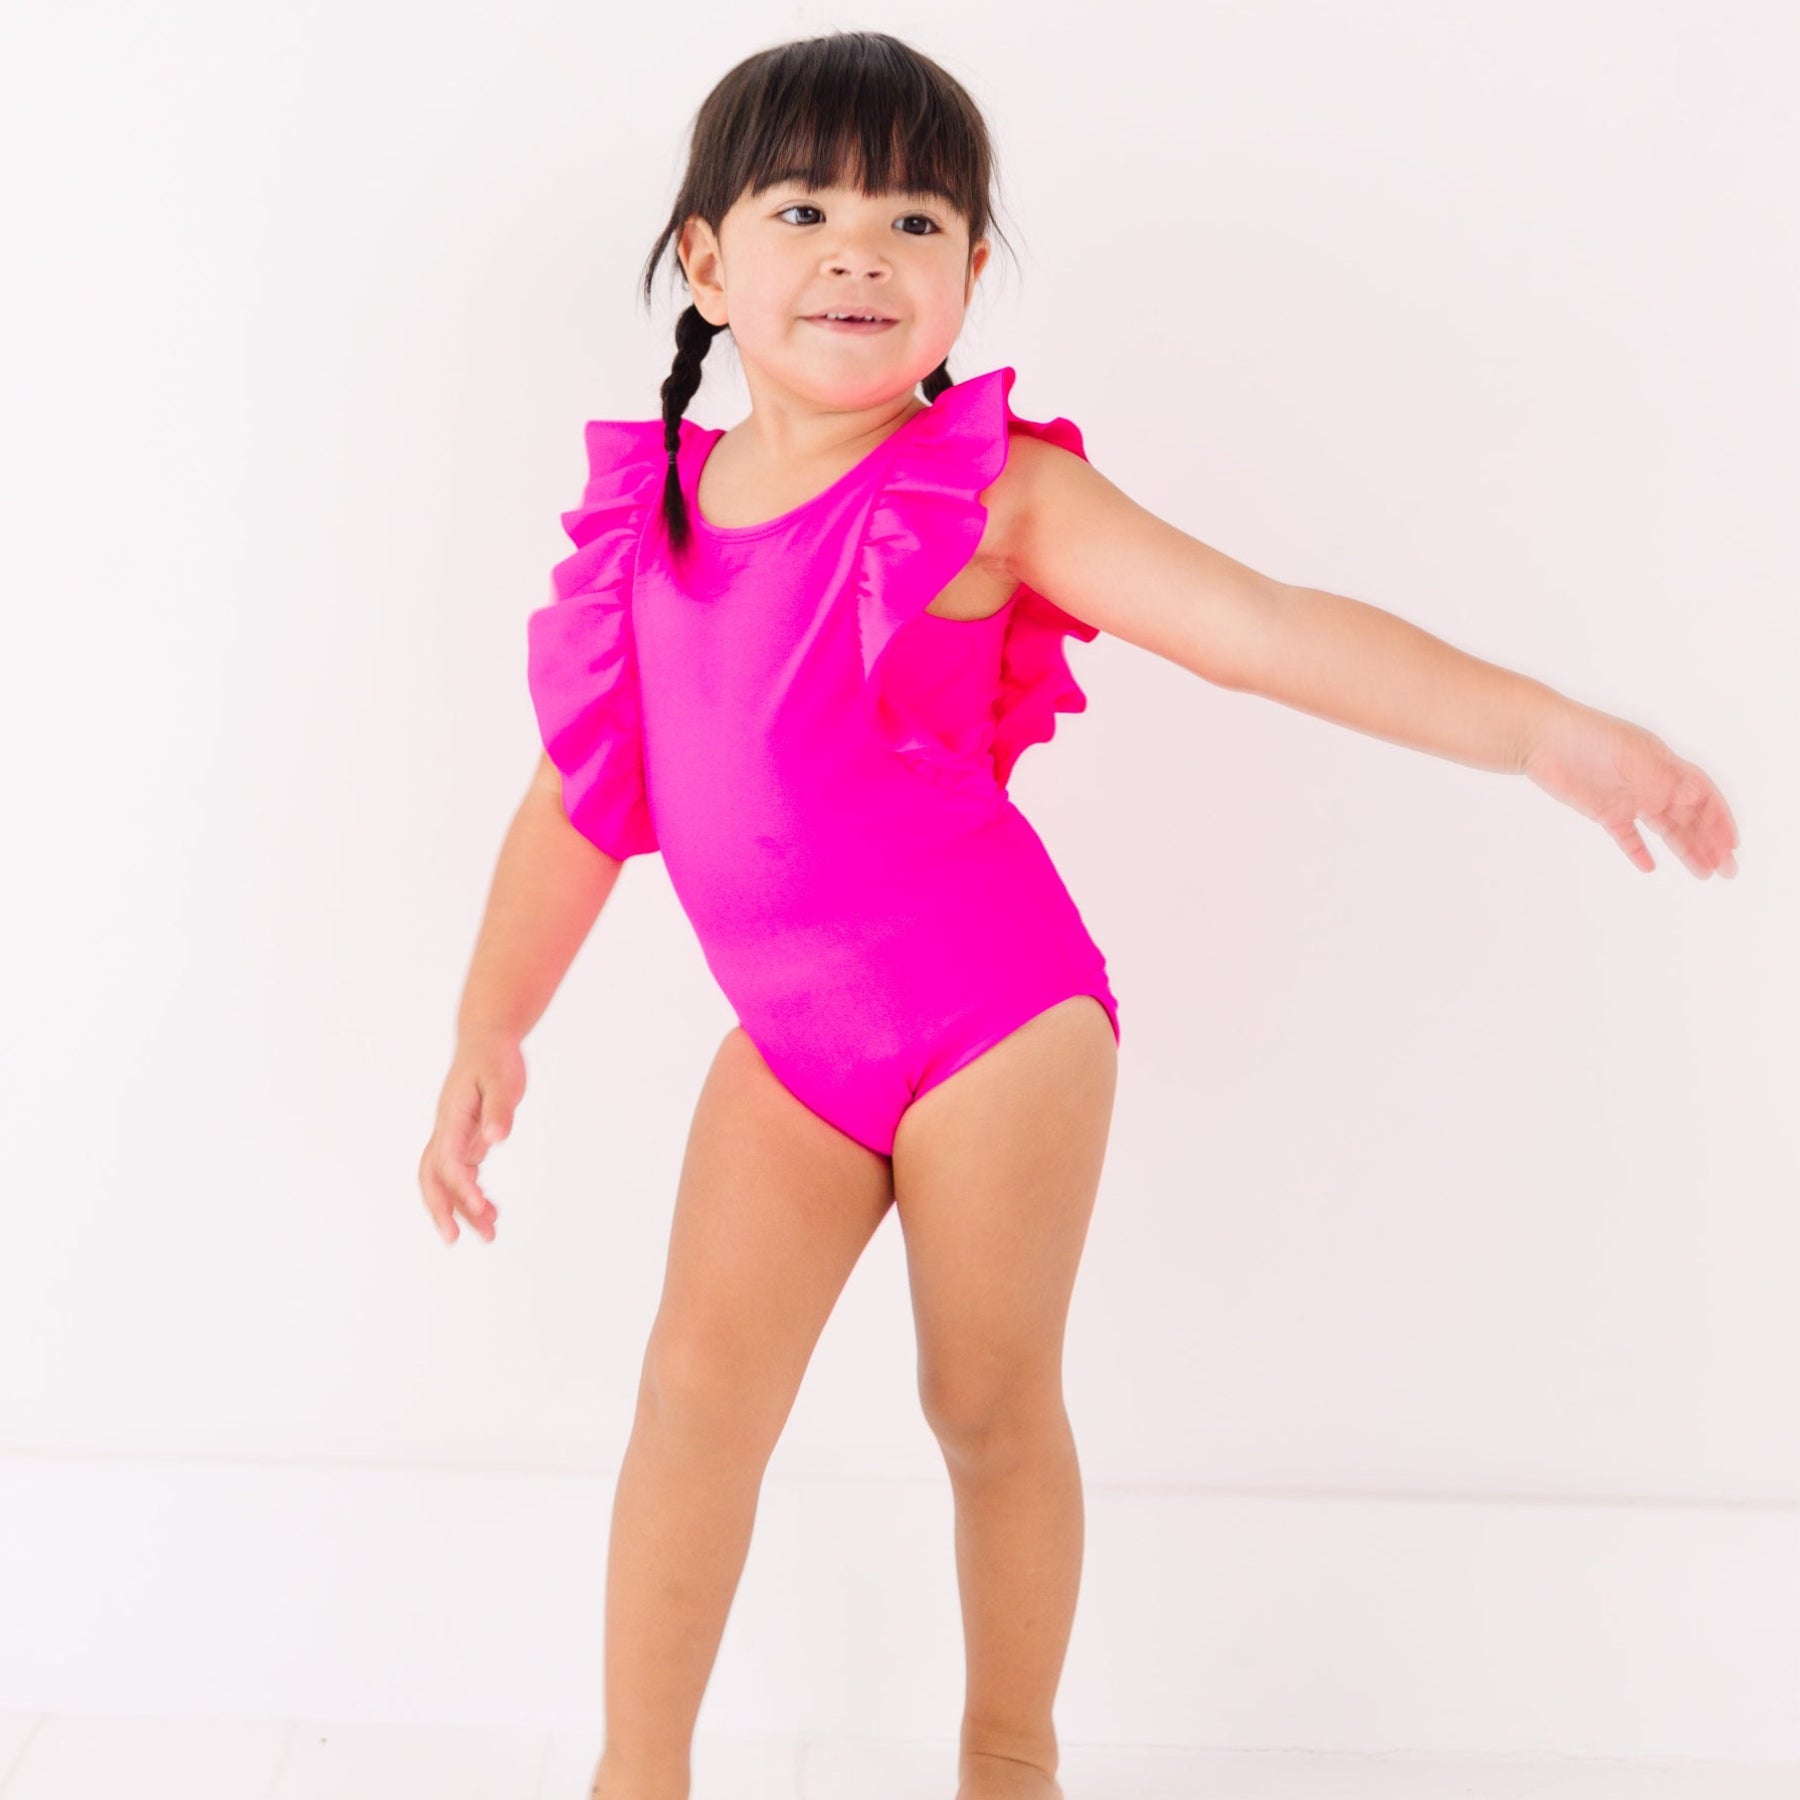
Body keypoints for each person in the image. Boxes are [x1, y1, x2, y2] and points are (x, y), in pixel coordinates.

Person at [417, 30, 1740, 1800]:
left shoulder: (995, 490)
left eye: (917, 217)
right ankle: (632, 1776)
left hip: (996, 1021)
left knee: (982, 1402)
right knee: (693, 1400)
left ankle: (1008, 1756)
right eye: (806, 206)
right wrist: (490, 1020)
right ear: (710, 261)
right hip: (795, 1047)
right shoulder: (647, 523)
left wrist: (1549, 733)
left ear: (970, 276)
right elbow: (576, 799)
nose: (861, 250)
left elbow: (1266, 628)